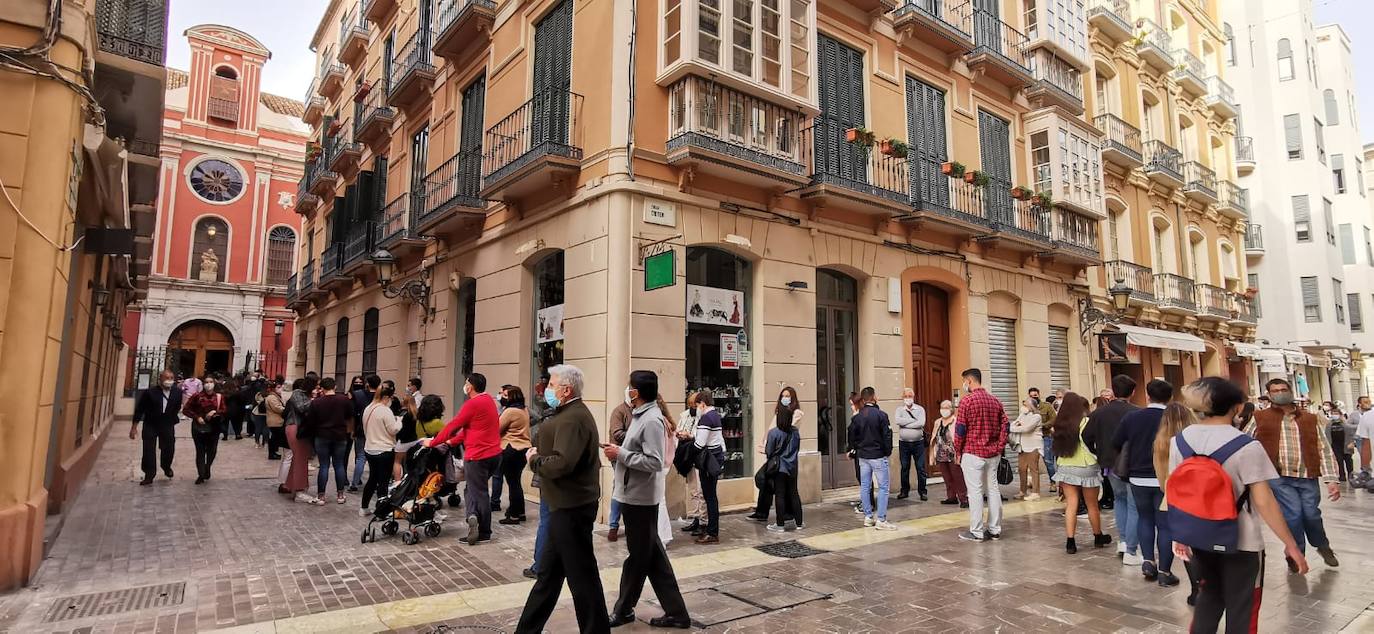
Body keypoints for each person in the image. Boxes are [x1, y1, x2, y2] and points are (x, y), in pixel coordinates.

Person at [1172, 377, 1309, 632]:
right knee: (1243, 606)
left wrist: (1179, 535)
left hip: (1199, 536)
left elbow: (1175, 491)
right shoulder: (1246, 446)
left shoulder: (1180, 441)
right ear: (1236, 407)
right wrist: (1291, 545)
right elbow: (1264, 500)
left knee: (1209, 597)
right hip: (1242, 541)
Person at [515, 364, 610, 634]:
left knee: (582, 578)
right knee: (549, 576)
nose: (547, 389)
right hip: (564, 506)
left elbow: (561, 463)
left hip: (571, 508)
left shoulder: (572, 418)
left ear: (566, 390)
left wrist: (535, 460)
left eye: (552, 384)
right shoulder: (569, 413)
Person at [604, 371, 691, 629]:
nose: (627, 390)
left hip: (640, 499)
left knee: (639, 558)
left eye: (629, 387)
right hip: (635, 495)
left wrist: (620, 454)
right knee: (651, 558)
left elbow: (653, 461)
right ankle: (676, 612)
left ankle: (624, 609)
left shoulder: (651, 420)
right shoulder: (643, 416)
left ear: (637, 392)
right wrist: (618, 454)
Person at [1243, 378, 1342, 569]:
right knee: (1294, 514)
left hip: (1307, 475)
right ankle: (1296, 555)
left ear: (1290, 391)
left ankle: (1322, 545)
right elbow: (1245, 442)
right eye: (1275, 391)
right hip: (1278, 476)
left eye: (1283, 389)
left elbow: (1325, 449)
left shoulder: (1310, 418)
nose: (1280, 393)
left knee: (1312, 514)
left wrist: (1332, 479)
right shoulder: (1259, 417)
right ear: (1269, 395)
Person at [430, 373, 502, 545]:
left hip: (478, 456)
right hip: (494, 454)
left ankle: (483, 531)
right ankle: (473, 515)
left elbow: (454, 425)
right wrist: (451, 442)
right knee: (472, 489)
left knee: (479, 492)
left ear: (471, 386)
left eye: (466, 383)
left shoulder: (472, 403)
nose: (464, 385)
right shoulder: (489, 401)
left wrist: (433, 442)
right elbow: (470, 430)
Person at [1050, 392, 1111, 554]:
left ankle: (1070, 541)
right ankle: (1098, 536)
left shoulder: (1059, 425)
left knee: (1071, 504)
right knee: (1092, 504)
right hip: (1086, 466)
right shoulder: (1086, 422)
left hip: (1065, 466)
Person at [1152, 401, 1201, 603]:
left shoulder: (1160, 442)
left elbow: (1161, 476)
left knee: (1184, 543)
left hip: (1173, 498)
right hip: (1199, 497)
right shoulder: (1197, 439)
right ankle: (1207, 584)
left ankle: (1196, 588)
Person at [954, 369, 1009, 541]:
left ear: (969, 381)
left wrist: (957, 450)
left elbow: (960, 429)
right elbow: (1006, 426)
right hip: (992, 454)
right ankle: (994, 529)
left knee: (975, 492)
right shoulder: (995, 401)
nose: (964, 385)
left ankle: (976, 531)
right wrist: (999, 446)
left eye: (964, 381)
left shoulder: (967, 401)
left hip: (972, 452)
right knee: (993, 490)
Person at [1093, 374, 1140, 564]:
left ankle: (1122, 541)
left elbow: (1086, 435)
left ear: (1113, 390)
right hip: (1131, 464)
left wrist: (1098, 454)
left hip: (1110, 465)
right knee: (1133, 504)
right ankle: (1131, 548)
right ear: (1133, 392)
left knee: (1119, 501)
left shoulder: (1099, 413)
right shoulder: (1137, 412)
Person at [850, 387, 897, 530]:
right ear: (874, 397)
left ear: (863, 400)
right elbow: (887, 435)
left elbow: (852, 436)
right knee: (883, 487)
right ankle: (881, 519)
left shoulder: (857, 417)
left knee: (865, 486)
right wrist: (887, 452)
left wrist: (856, 449)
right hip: (878, 455)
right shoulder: (881, 415)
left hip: (863, 456)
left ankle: (868, 516)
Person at [305, 377, 354, 505]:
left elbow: (310, 421)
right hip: (340, 435)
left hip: (322, 436)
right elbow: (350, 416)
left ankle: (321, 496)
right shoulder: (344, 400)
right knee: (339, 465)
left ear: (322, 388)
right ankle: (340, 495)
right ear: (335, 387)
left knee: (324, 465)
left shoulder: (316, 402)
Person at [131, 370, 182, 485]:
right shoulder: (150, 392)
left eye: (171, 378)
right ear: (160, 379)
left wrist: (172, 417)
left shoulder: (177, 392)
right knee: (148, 449)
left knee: (168, 448)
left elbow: (177, 406)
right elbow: (140, 409)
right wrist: (134, 427)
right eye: (166, 378)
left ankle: (166, 466)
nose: (169, 380)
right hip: (151, 424)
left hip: (167, 424)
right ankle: (149, 474)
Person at [360, 380, 403, 515]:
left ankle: (364, 507)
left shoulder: (368, 408)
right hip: (384, 450)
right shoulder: (385, 411)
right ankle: (382, 509)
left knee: (372, 479)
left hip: (370, 448)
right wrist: (399, 421)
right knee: (383, 481)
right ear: (386, 397)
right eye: (390, 398)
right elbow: (393, 430)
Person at [764, 387, 804, 532]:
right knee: (794, 493)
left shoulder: (774, 433)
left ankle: (780, 525)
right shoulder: (795, 433)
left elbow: (769, 451)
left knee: (780, 494)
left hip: (779, 467)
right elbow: (797, 448)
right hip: (793, 465)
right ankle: (799, 523)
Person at [693, 388, 727, 544]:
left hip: (708, 461)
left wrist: (688, 449)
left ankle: (712, 532)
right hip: (716, 458)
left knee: (710, 496)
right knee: (711, 496)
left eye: (697, 405)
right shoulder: (716, 416)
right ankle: (711, 530)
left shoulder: (706, 418)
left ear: (702, 404)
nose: (696, 409)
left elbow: (700, 443)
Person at [496, 386, 532, 525]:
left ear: (512, 397)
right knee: (516, 481)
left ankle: (514, 515)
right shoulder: (524, 409)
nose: (502, 397)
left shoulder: (510, 411)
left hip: (511, 448)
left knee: (512, 483)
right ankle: (520, 512)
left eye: (505, 395)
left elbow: (497, 428)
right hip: (523, 449)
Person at [181, 376, 227, 484]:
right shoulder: (197, 396)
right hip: (199, 427)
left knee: (212, 450)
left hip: (214, 427)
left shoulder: (219, 397)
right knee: (200, 451)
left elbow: (224, 410)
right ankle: (201, 474)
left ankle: (207, 467)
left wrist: (215, 412)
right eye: (206, 382)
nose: (208, 384)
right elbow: (186, 410)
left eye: (211, 382)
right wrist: (197, 417)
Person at [280, 377, 316, 501]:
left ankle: (289, 485)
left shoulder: (304, 395)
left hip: (300, 428)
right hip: (295, 427)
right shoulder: (297, 394)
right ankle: (300, 490)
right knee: (300, 458)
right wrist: (314, 399)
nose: (318, 389)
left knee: (299, 458)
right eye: (316, 386)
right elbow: (302, 408)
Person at [676, 393, 706, 535]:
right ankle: (695, 518)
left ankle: (703, 520)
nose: (693, 407)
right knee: (693, 489)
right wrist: (680, 434)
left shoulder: (704, 417)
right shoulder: (685, 415)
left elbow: (701, 437)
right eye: (691, 405)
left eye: (695, 404)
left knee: (701, 491)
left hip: (698, 455)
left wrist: (690, 436)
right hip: (687, 455)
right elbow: (678, 428)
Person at [930, 400, 968, 507]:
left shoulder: (956, 421)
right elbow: (934, 436)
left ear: (951, 409)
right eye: (942, 407)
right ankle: (951, 497)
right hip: (941, 453)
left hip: (953, 453)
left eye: (946, 407)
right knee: (947, 476)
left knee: (958, 476)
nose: (944, 410)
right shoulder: (938, 422)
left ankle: (964, 498)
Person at [605, 399, 633, 541]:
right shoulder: (620, 411)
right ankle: (613, 525)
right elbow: (617, 433)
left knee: (630, 489)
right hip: (619, 455)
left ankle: (629, 524)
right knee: (620, 488)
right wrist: (636, 434)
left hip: (631, 454)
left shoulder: (637, 410)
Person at [895, 387, 928, 501]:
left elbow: (921, 423)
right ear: (902, 397)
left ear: (913, 397)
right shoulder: (899, 410)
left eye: (910, 396)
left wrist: (906, 424)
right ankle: (904, 491)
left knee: (921, 467)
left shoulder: (920, 409)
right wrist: (914, 422)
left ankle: (923, 491)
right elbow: (898, 421)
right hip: (904, 443)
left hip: (918, 443)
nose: (908, 398)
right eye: (906, 396)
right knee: (904, 467)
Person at [1008, 397, 1043, 501]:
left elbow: (1027, 428)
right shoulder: (1022, 415)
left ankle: (1035, 492)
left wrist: (1015, 428)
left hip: (1033, 446)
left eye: (1026, 404)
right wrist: (1016, 426)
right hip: (1022, 446)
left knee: (1033, 469)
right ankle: (1022, 491)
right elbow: (1014, 424)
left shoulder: (1037, 417)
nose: (1023, 407)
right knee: (1021, 469)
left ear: (1031, 406)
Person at [348, 376, 376, 493]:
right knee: (374, 459)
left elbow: (353, 413)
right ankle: (375, 484)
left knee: (360, 457)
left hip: (361, 429)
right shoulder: (381, 397)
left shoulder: (357, 395)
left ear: (367, 384)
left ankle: (354, 483)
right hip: (375, 430)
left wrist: (353, 430)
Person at [1031, 388, 1058, 489]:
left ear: (1039, 395)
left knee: (1048, 461)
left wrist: (1043, 425)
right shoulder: (1028, 407)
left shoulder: (1046, 406)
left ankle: (1053, 482)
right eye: (1032, 396)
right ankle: (1034, 485)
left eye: (1035, 395)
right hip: (1032, 438)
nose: (1034, 397)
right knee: (1032, 463)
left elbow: (1053, 419)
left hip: (1045, 437)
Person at [264, 380, 286, 460]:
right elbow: (277, 408)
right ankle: (272, 453)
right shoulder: (272, 397)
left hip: (277, 421)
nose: (280, 389)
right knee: (274, 438)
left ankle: (274, 453)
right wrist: (286, 409)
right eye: (278, 387)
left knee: (275, 438)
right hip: (275, 421)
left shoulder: (276, 396)